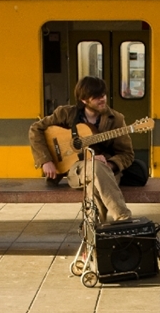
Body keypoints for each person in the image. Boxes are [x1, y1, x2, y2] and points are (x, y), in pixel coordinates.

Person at [29, 76, 133, 223]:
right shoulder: (66, 114)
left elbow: (127, 154)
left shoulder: (115, 119)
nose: (102, 99)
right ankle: (123, 218)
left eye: (103, 95)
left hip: (106, 170)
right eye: (96, 97)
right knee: (94, 168)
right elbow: (36, 129)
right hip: (75, 169)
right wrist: (45, 160)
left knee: (95, 177)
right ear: (84, 100)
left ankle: (94, 233)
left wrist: (109, 164)